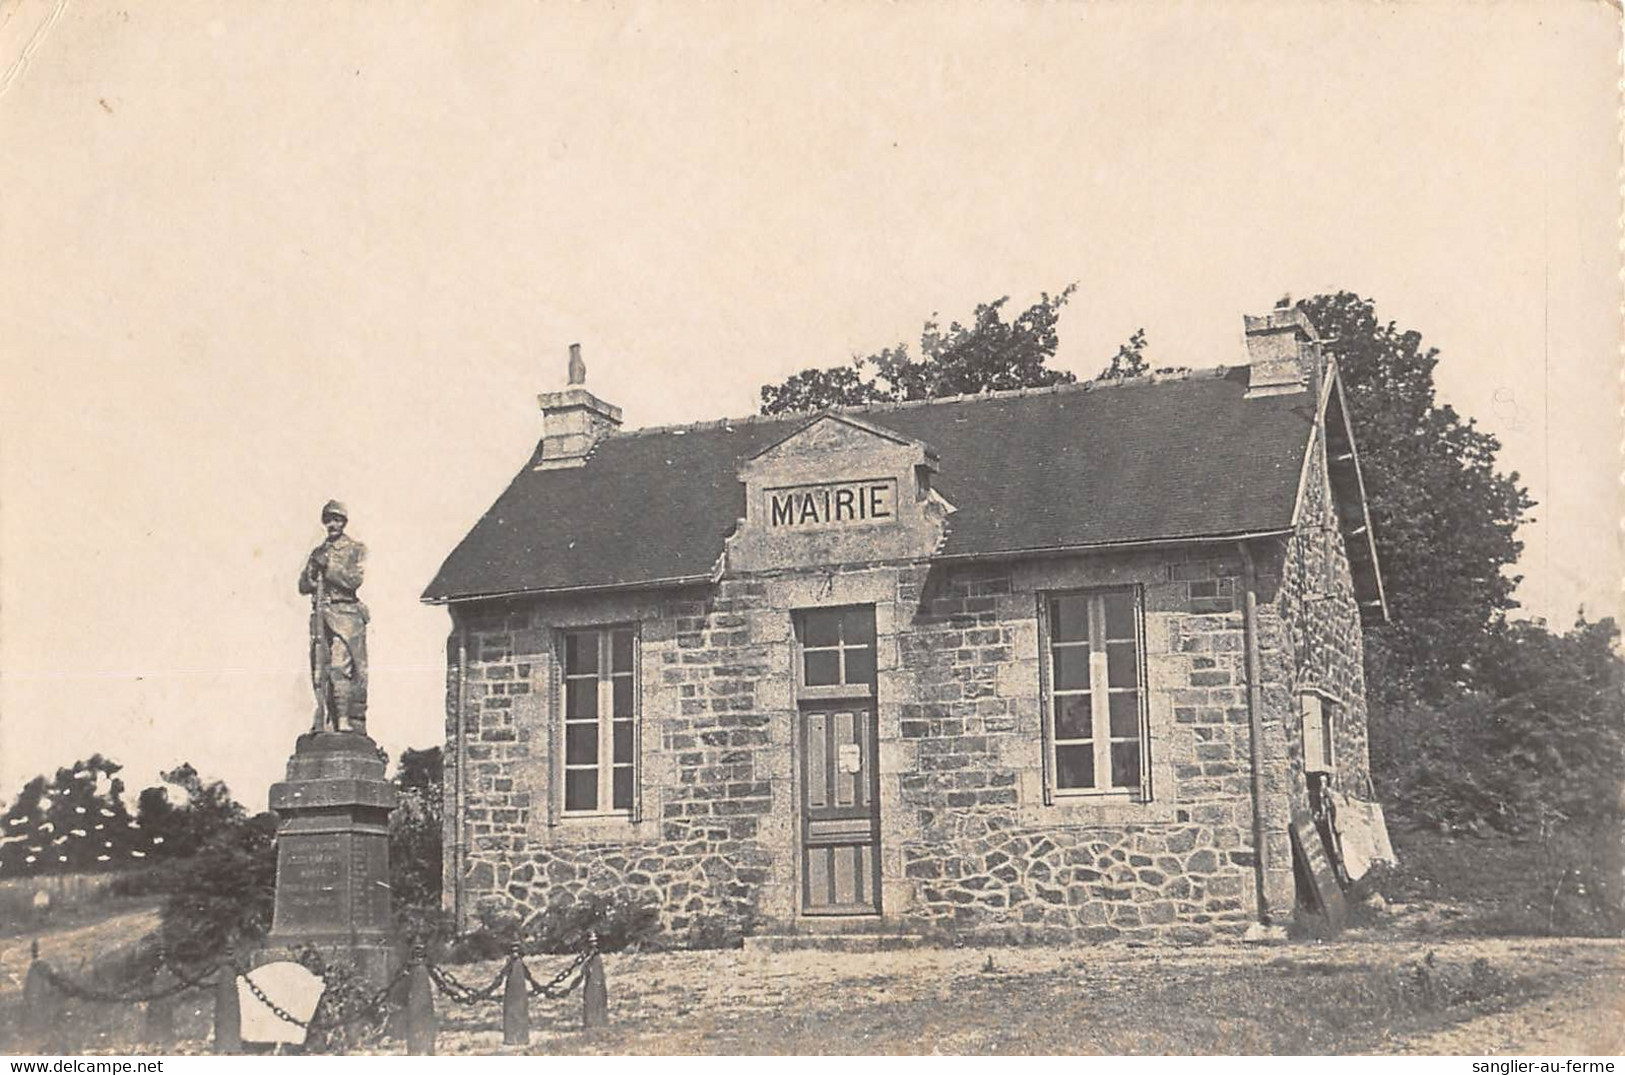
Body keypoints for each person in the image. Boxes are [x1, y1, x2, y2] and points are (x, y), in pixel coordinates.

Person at [299, 500, 369, 734]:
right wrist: (312, 573)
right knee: (320, 669)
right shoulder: (318, 552)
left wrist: (328, 569)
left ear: (344, 522)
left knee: (340, 666)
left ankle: (344, 719)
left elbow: (354, 580)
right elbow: (303, 585)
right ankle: (324, 718)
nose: (332, 524)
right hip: (321, 614)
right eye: (328, 519)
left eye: (337, 519)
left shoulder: (355, 549)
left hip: (346, 615)